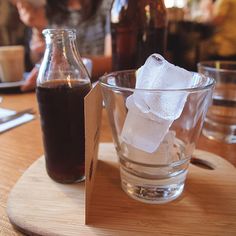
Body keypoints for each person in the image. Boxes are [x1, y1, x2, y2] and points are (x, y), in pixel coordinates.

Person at [15, 0, 113, 91]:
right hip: (62, 88)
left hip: (98, 92)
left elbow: (113, 62)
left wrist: (69, 64)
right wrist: (36, 28)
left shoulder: (108, 4)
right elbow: (38, 60)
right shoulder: (51, 7)